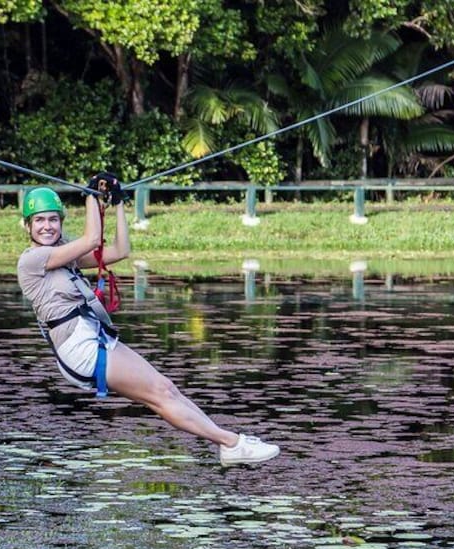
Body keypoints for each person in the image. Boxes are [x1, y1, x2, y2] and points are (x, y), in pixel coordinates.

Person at [16, 174, 280, 466]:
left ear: (61, 222)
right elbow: (91, 238)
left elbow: (119, 251)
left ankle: (230, 443)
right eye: (39, 220)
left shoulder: (63, 255)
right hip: (79, 349)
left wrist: (117, 204)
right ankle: (231, 443)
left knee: (166, 388)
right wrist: (91, 194)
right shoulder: (32, 261)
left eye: (53, 219)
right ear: (27, 226)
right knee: (157, 395)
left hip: (93, 336)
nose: (47, 226)